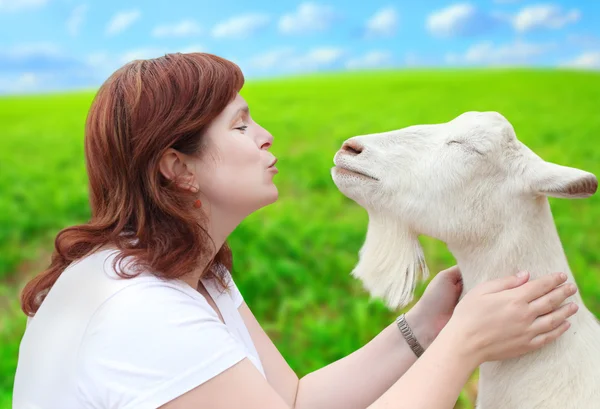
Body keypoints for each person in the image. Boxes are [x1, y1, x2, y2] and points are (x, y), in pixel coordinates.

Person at [12, 53, 578, 409]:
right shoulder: (141, 314)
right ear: (177, 167)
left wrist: (425, 326)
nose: (266, 136)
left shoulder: (187, 273)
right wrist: (464, 345)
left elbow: (296, 400)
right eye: (240, 125)